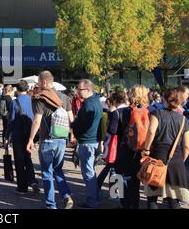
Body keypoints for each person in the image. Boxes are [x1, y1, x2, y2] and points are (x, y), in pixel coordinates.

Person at [26, 71, 74, 209]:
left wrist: (30, 139)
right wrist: (72, 135)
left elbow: (36, 121)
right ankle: (66, 196)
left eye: (39, 82)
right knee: (58, 169)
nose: (37, 85)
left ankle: (51, 204)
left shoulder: (40, 98)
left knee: (47, 173)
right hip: (61, 140)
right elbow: (71, 119)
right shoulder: (64, 98)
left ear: (44, 82)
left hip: (47, 140)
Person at [141, 88, 189, 209]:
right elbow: (187, 146)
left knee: (152, 197)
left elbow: (151, 132)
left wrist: (146, 149)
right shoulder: (183, 119)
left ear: (164, 99)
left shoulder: (157, 113)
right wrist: (181, 159)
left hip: (156, 158)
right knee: (173, 199)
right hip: (175, 161)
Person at [114, 85, 150, 209]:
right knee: (135, 182)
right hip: (141, 152)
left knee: (119, 177)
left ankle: (123, 203)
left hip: (124, 150)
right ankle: (135, 205)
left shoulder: (122, 112)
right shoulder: (150, 112)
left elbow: (114, 131)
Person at [71, 79, 102, 208]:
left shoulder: (89, 104)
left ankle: (92, 200)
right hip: (91, 140)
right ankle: (94, 197)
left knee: (88, 172)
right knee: (90, 172)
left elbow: (85, 125)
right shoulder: (94, 101)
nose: (78, 92)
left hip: (87, 141)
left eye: (80, 89)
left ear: (88, 90)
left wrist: (74, 127)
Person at [5, 80, 39, 195]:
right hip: (30, 134)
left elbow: (11, 121)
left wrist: (7, 136)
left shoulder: (14, 103)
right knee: (28, 158)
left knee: (19, 161)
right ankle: (32, 180)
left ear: (17, 90)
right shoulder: (33, 101)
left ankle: (22, 187)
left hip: (18, 134)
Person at [97, 91, 128, 194]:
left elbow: (112, 130)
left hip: (117, 145)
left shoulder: (116, 112)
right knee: (119, 170)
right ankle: (118, 193)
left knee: (115, 169)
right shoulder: (130, 110)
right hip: (128, 144)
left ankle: (114, 194)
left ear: (115, 100)